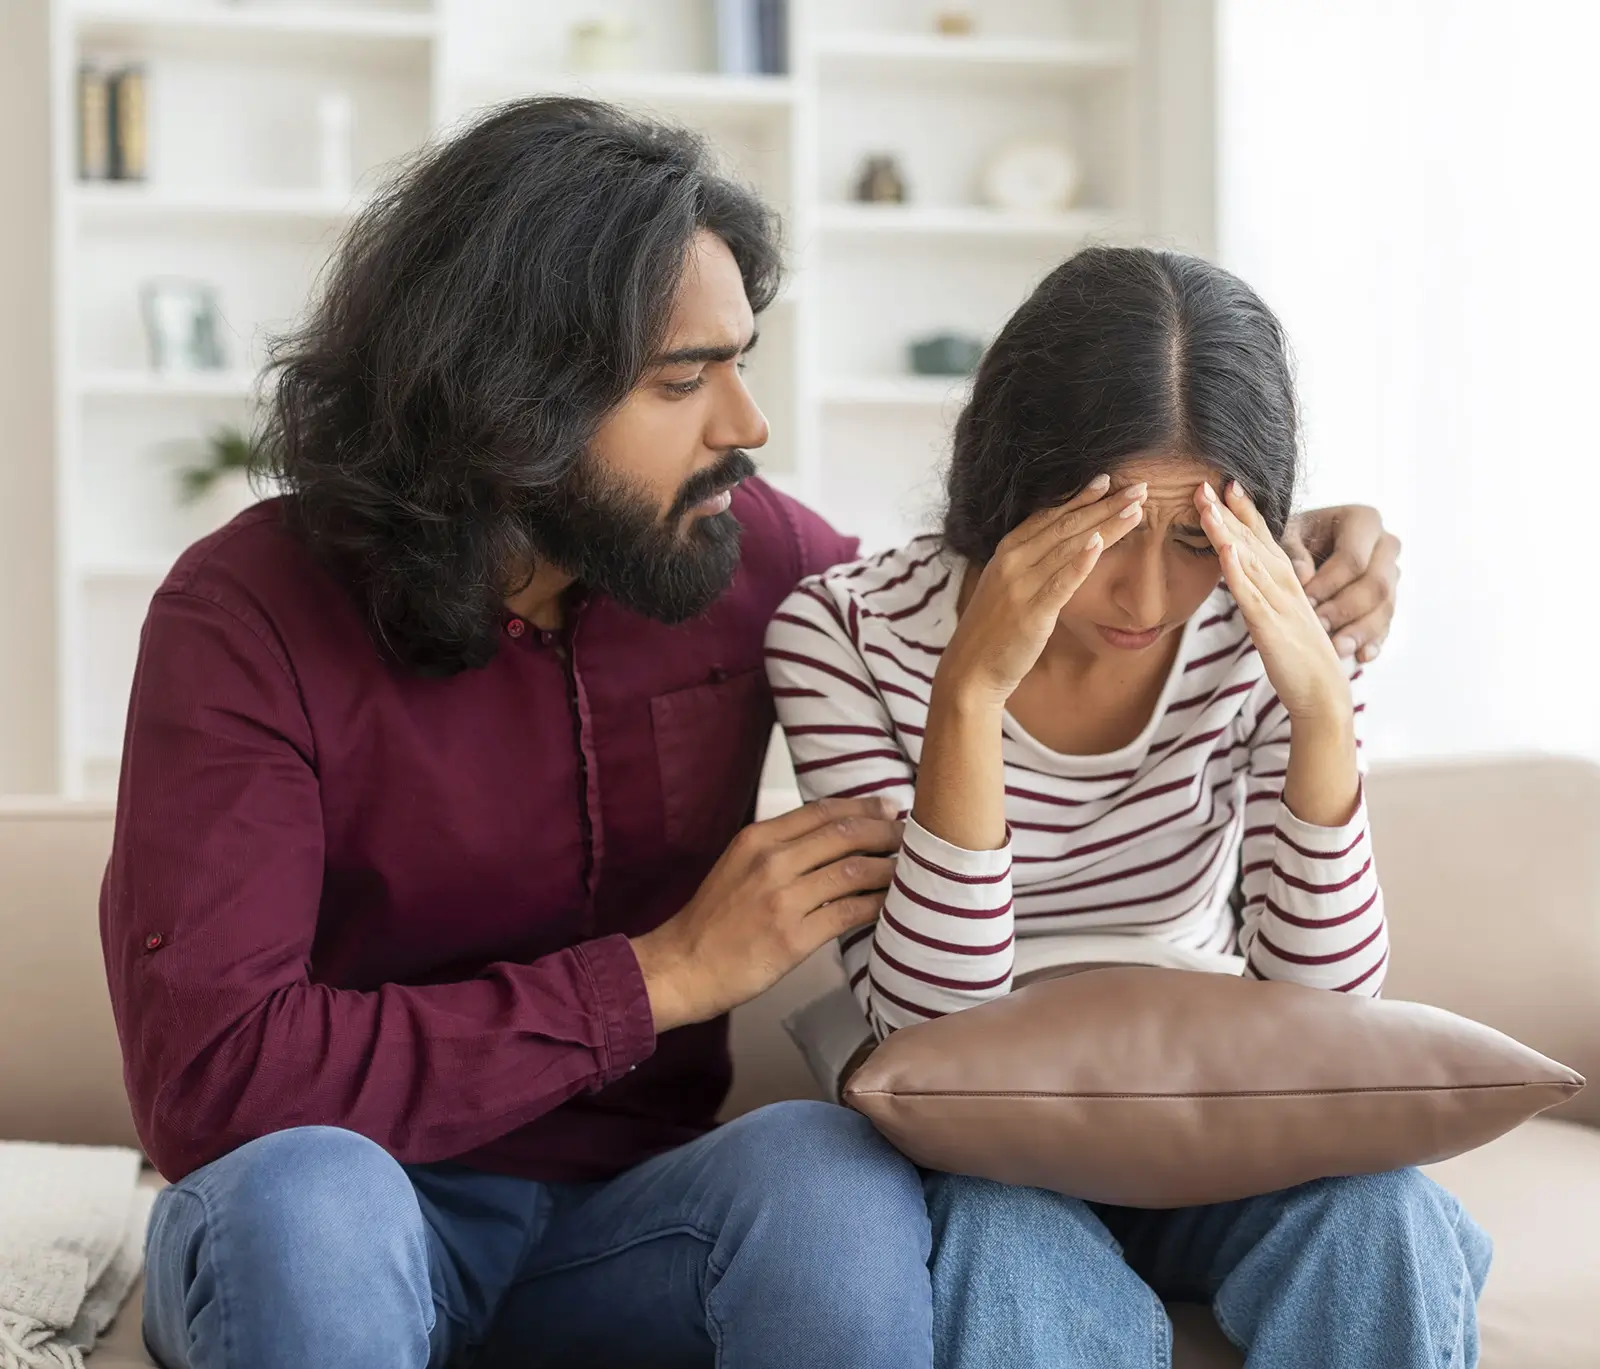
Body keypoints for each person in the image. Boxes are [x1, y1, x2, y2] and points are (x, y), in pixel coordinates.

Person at [99, 99, 1402, 1369]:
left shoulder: (746, 560)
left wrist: (1285, 544)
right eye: (686, 379)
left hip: (632, 1219)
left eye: (742, 360)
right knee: (313, 1204)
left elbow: (962, 606)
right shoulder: (243, 618)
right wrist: (658, 977)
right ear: (511, 402)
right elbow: (212, 1077)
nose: (747, 426)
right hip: (345, 1202)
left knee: (827, 1176)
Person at [766, 245, 1489, 1368]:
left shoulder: (1268, 625)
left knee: (1382, 1218)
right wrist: (969, 691)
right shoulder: (845, 631)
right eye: (1099, 531)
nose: (1147, 597)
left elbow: (1327, 1005)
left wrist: (1318, 710)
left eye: (1197, 539)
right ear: (1010, 479)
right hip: (987, 1144)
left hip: (1225, 1120)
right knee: (1001, 1248)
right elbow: (924, 1020)